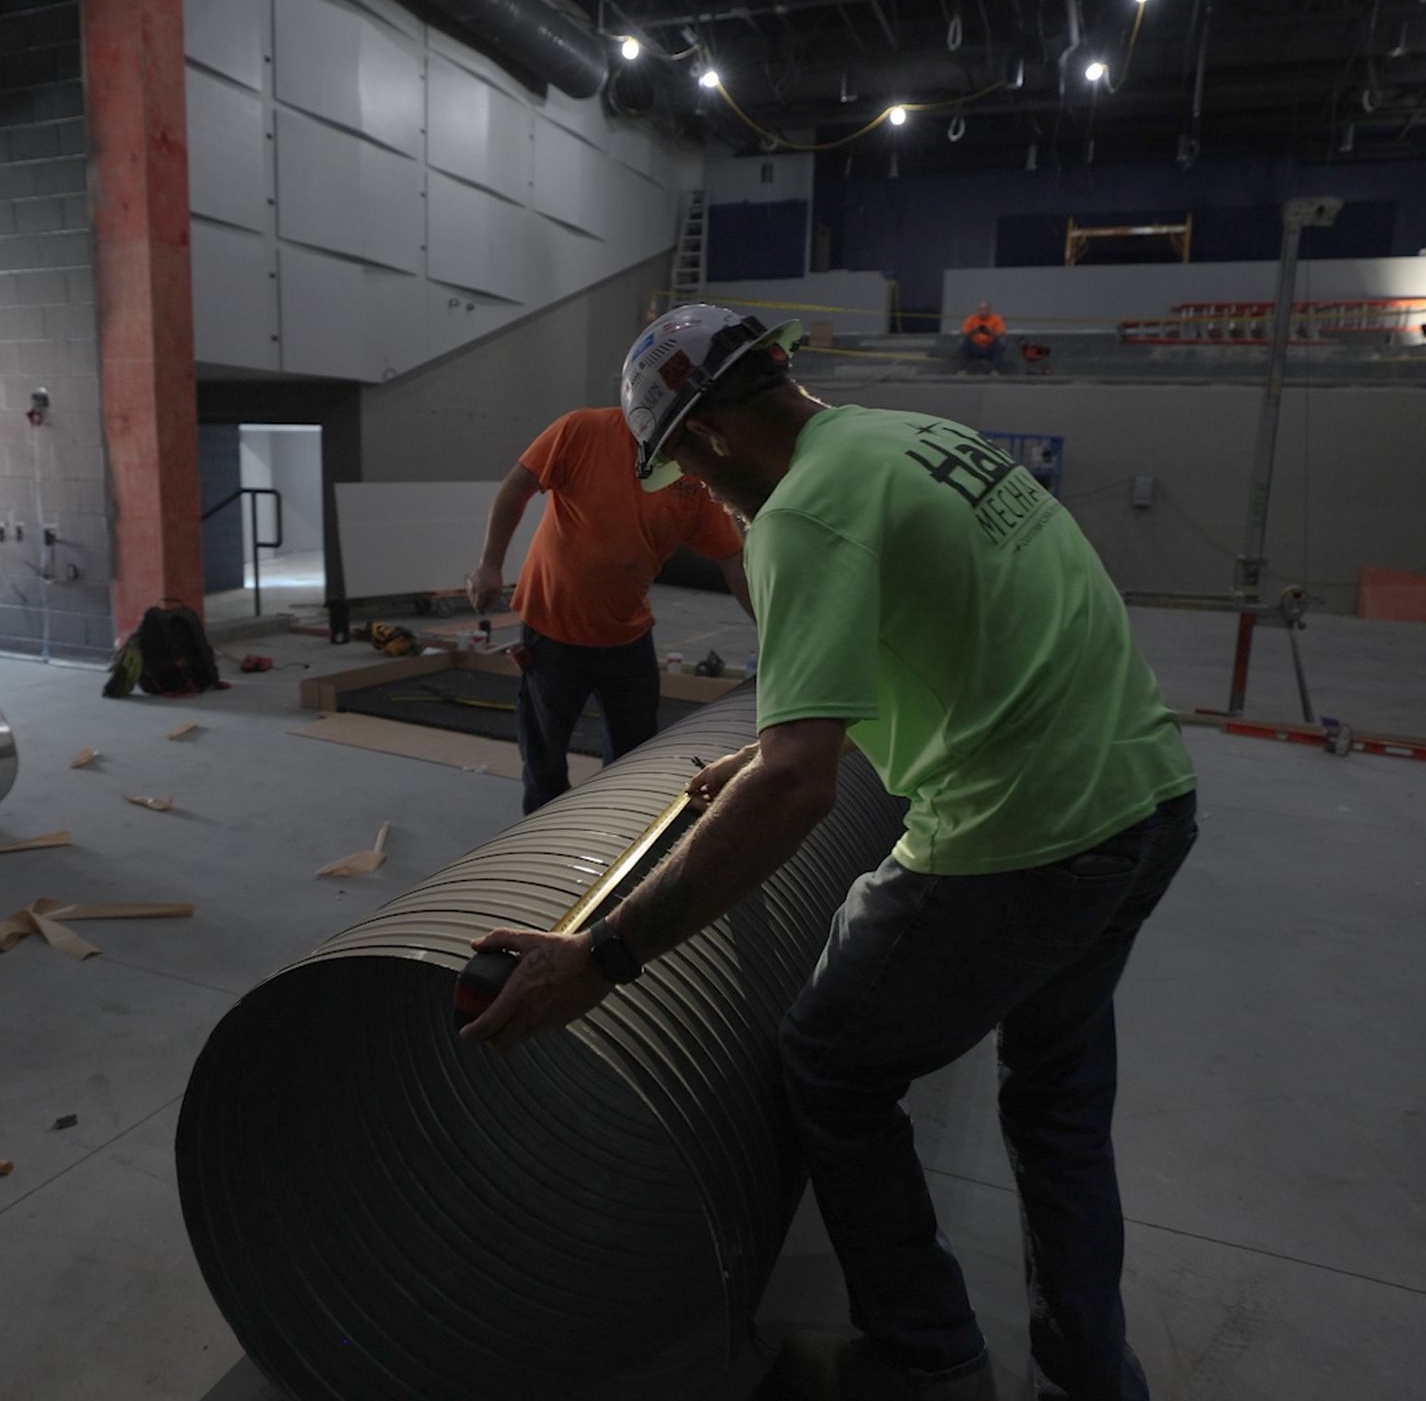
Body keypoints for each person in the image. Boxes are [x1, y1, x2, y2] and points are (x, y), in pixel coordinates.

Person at [462, 304, 1198, 1401]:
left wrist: (605, 956)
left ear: (708, 438)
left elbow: (799, 786)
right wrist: (761, 764)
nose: (702, 499)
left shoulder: (801, 513)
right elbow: (959, 644)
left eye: (691, 474)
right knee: (1057, 1110)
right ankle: (1092, 1377)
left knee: (832, 1065)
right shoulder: (913, 439)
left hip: (1025, 841)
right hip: (1143, 805)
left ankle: (925, 1356)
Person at [466, 405, 752, 814]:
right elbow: (517, 486)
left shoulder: (691, 471)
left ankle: (616, 830)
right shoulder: (582, 431)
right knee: (545, 753)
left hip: (627, 636)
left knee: (634, 752)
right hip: (551, 630)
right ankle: (543, 840)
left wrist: (770, 628)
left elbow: (731, 558)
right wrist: (489, 565)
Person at [959, 301, 1007, 373]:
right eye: (980, 309)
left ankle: (994, 370)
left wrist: (991, 333)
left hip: (990, 348)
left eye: (984, 309)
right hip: (975, 348)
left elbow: (1001, 333)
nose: (982, 312)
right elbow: (964, 332)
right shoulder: (971, 318)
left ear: (989, 310)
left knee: (1002, 341)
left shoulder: (997, 318)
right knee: (962, 341)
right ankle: (964, 369)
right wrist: (973, 332)